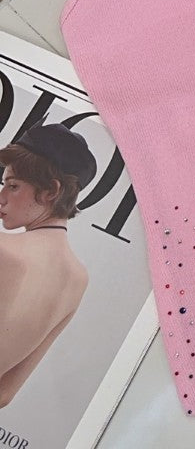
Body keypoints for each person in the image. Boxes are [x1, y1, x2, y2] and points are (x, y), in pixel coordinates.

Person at [0, 123, 97, 408]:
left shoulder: (5, 251)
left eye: (13, 186)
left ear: (51, 191)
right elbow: (4, 394)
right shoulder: (78, 281)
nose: (2, 197)